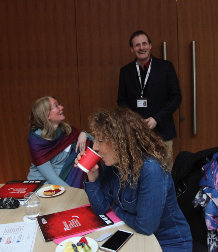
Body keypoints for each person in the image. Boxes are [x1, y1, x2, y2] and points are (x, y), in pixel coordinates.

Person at [75, 107, 192, 252]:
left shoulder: (151, 169)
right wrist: (92, 177)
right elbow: (101, 208)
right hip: (134, 235)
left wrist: (115, 208)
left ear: (121, 142)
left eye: (100, 140)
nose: (95, 147)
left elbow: (145, 227)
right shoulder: (113, 163)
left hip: (167, 243)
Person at [117, 30, 182, 169]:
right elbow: (121, 101)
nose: (141, 48)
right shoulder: (125, 71)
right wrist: (133, 120)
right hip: (136, 134)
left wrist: (156, 118)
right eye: (137, 45)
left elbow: (176, 97)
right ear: (132, 49)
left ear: (150, 46)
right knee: (139, 173)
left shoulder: (166, 67)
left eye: (144, 43)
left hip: (162, 132)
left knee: (164, 173)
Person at [27, 96, 94, 188]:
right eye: (56, 106)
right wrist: (72, 193)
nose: (62, 107)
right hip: (43, 187)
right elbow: (51, 177)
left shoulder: (67, 131)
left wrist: (84, 134)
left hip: (67, 182)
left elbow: (97, 147)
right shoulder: (37, 142)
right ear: (47, 115)